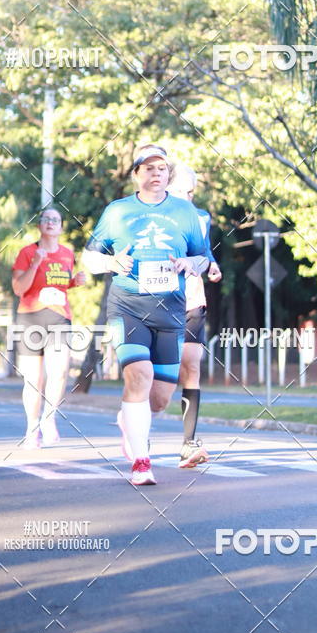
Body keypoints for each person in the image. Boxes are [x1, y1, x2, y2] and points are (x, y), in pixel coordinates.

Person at [82, 144, 209, 486]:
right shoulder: (117, 211)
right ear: (136, 174)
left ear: (169, 174)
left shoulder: (185, 213)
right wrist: (110, 262)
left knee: (160, 398)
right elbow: (89, 257)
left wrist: (190, 263)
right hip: (128, 305)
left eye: (162, 168)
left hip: (170, 310)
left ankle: (130, 420)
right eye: (148, 168)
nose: (156, 173)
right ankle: (141, 461)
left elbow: (205, 259)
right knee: (138, 375)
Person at [12, 208, 86, 449]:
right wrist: (35, 263)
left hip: (58, 317)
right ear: (39, 226)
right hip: (31, 318)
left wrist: (75, 282)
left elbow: (60, 284)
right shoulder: (27, 253)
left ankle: (49, 417)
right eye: (47, 219)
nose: (52, 223)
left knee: (61, 372)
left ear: (61, 227)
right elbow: (19, 288)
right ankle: (31, 427)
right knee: (34, 379)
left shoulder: (67, 253)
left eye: (56, 220)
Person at [168, 163, 222, 467]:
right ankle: (136, 429)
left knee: (191, 367)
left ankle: (188, 444)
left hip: (192, 300)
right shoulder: (152, 217)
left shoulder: (201, 217)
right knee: (158, 374)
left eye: (191, 192)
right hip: (158, 302)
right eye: (181, 191)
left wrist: (211, 265)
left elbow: (204, 253)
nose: (188, 198)